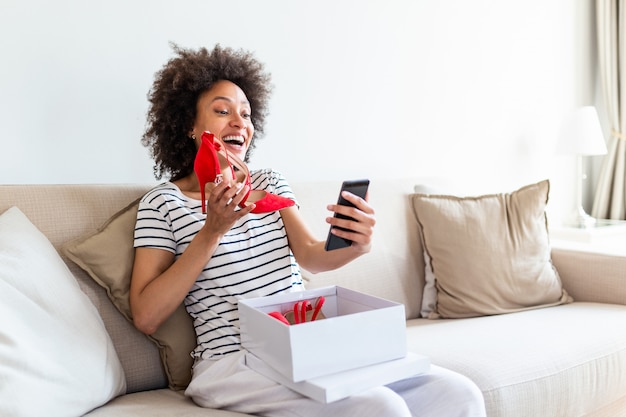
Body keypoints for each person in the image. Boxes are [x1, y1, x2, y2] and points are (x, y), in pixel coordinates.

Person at [130, 43, 487, 417]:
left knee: (459, 394)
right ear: (189, 125)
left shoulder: (270, 183)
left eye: (246, 114)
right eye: (222, 111)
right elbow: (147, 315)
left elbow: (312, 256)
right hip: (231, 363)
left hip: (306, 345)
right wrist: (211, 232)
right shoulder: (163, 204)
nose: (240, 122)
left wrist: (355, 243)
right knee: (379, 408)